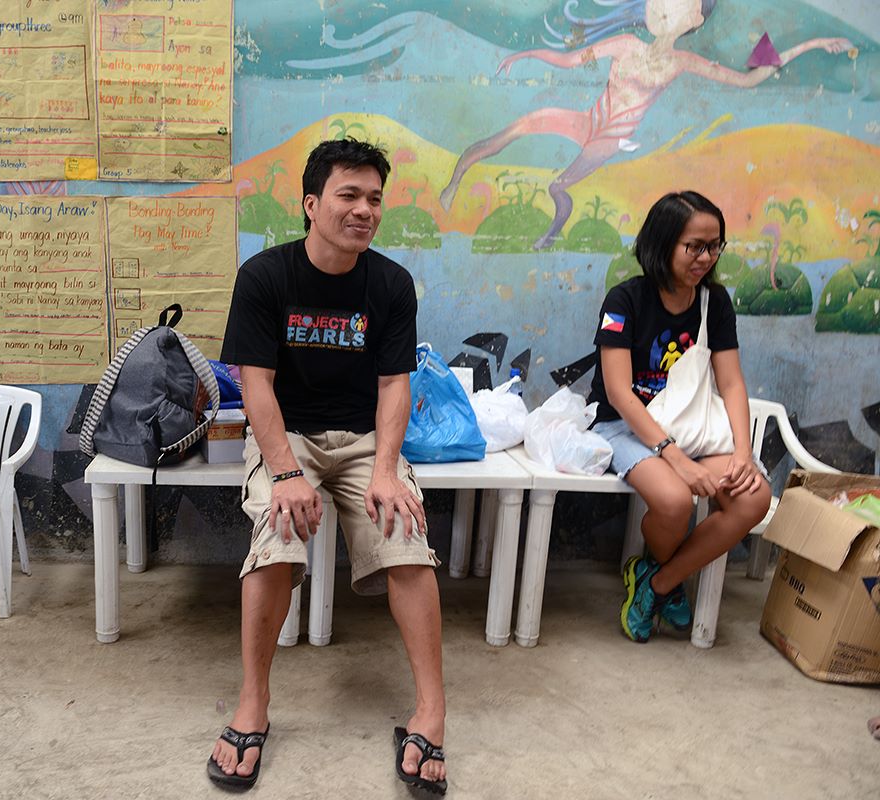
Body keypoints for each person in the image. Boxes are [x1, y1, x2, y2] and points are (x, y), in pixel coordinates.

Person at [208, 138, 447, 794]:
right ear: (312, 204)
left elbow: (394, 385)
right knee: (277, 534)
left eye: (375, 198)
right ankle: (253, 703)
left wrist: (387, 470)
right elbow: (255, 384)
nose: (365, 210)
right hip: (289, 438)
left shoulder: (391, 284)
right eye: (349, 195)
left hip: (367, 440)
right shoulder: (266, 276)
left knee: (405, 533)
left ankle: (431, 712)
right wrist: (286, 474)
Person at [438, 0, 853, 250]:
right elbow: (567, 60)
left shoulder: (681, 62)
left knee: (557, 188)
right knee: (521, 125)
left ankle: (553, 226)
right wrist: (524, 55)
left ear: (694, 18)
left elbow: (746, 80)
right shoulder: (625, 44)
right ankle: (455, 180)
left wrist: (813, 43)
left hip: (612, 137)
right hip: (590, 120)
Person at [587, 190, 770, 642]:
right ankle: (662, 582)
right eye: (695, 246)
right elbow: (619, 393)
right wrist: (676, 459)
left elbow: (731, 383)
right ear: (662, 243)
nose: (706, 257)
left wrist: (743, 454)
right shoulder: (625, 300)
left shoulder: (715, 302)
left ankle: (657, 582)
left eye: (714, 246)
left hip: (690, 424)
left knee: (753, 497)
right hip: (625, 426)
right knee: (674, 502)